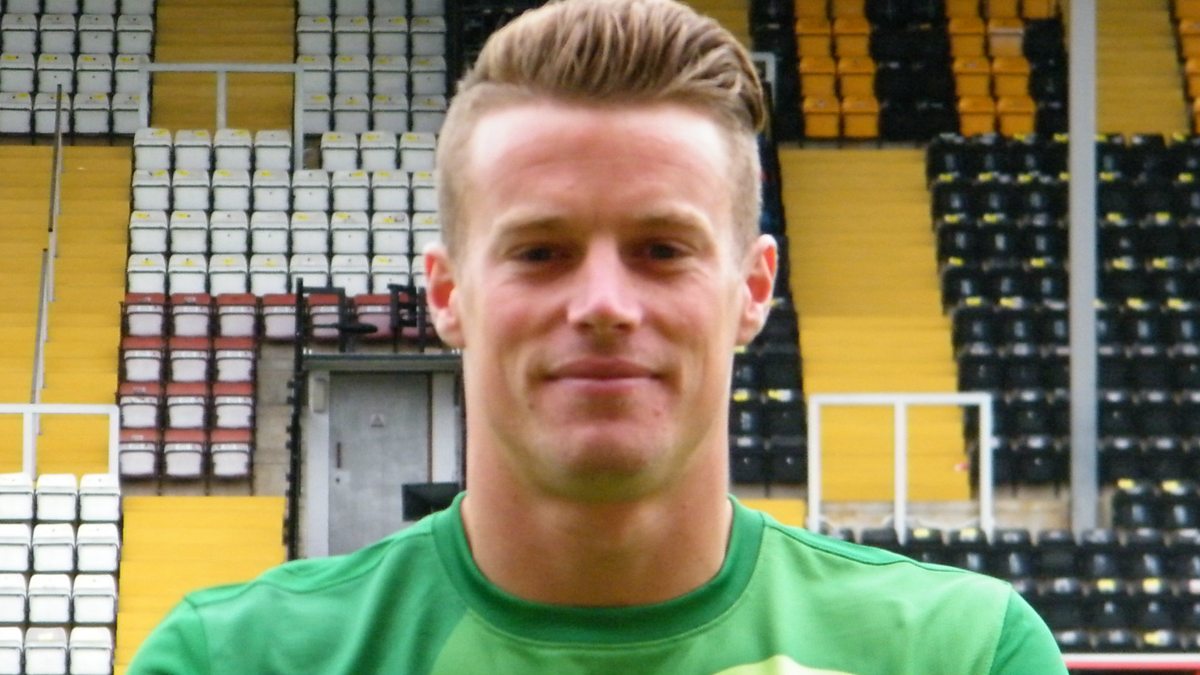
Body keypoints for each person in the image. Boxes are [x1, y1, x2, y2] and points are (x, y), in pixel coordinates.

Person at [128, 1, 1067, 672]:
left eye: (663, 249)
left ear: (753, 289)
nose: (605, 303)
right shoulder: (236, 658)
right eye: (541, 251)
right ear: (448, 294)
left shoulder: (959, 652)